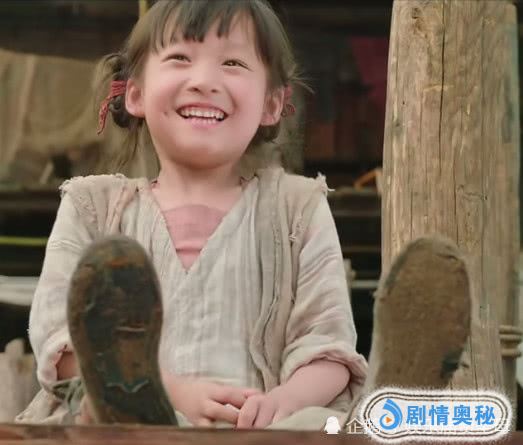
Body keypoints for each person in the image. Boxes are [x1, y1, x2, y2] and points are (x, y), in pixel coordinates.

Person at [16, 0, 370, 429]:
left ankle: (409, 383)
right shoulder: (93, 207)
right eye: (180, 58)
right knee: (95, 414)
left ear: (272, 104)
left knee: (318, 423)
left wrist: (285, 402)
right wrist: (165, 391)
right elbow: (59, 339)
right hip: (127, 424)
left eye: (233, 63)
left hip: (259, 429)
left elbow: (328, 345)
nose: (204, 81)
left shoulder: (297, 207)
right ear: (135, 94)